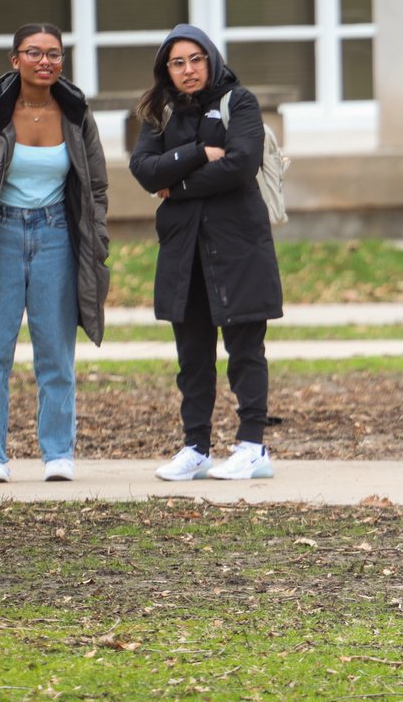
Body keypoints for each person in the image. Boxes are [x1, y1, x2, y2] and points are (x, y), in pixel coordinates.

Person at [0, 23, 110, 484]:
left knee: (56, 351)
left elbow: (96, 187)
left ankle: (58, 453)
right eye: (34, 53)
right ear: (15, 60)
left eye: (54, 54)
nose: (45, 62)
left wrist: (96, 237)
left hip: (57, 234)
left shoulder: (77, 116)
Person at [129, 24, 283, 481]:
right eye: (178, 62)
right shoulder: (157, 111)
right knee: (192, 358)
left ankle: (252, 448)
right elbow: (142, 169)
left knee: (245, 352)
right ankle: (195, 448)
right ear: (166, 70)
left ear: (211, 60)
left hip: (239, 250)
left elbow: (241, 165)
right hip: (184, 253)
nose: (188, 70)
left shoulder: (240, 102)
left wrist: (174, 189)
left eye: (196, 59)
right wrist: (198, 152)